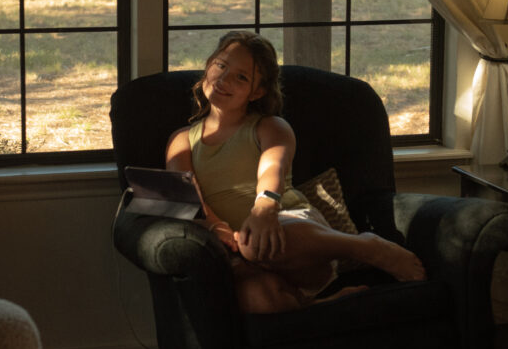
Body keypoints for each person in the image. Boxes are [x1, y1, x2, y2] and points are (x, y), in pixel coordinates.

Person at [165, 30, 426, 314]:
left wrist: (264, 207)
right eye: (221, 65)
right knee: (257, 298)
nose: (225, 78)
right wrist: (216, 228)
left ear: (257, 91)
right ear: (208, 64)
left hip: (290, 230)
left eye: (241, 77)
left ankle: (364, 247)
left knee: (254, 243)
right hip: (244, 253)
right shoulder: (182, 140)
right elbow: (189, 198)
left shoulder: (269, 127)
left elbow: (272, 168)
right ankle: (314, 305)